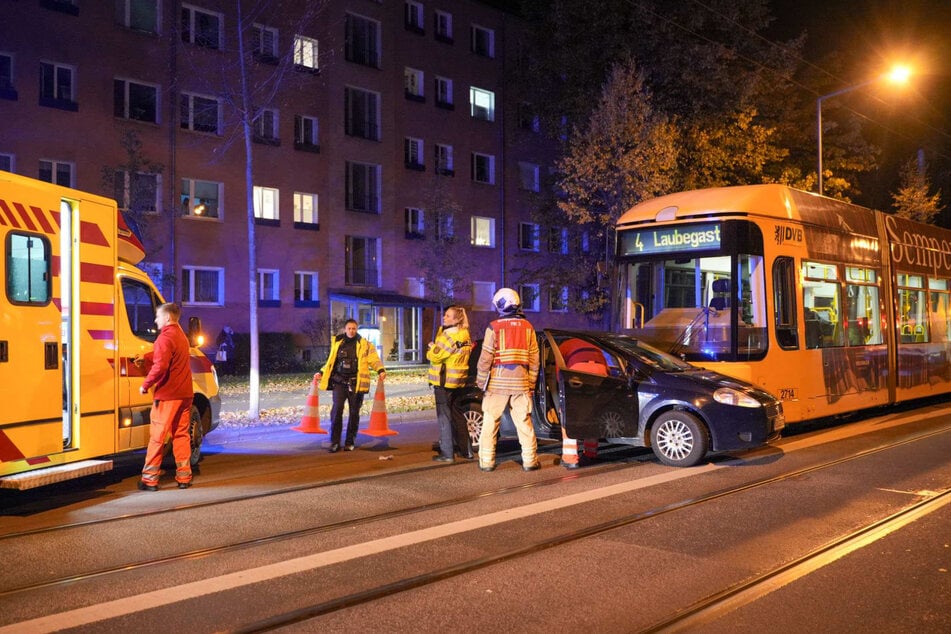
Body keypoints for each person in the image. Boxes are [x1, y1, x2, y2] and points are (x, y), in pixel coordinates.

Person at [476, 288, 540, 472]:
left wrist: (481, 382)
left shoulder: (493, 327)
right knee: (524, 422)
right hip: (520, 383)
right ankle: (529, 461)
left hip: (497, 384)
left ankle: (486, 462)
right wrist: (531, 384)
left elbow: (485, 358)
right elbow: (534, 359)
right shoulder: (528, 327)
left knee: (490, 421)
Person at [138, 302, 194, 491]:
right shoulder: (181, 337)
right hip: (185, 394)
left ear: (168, 317)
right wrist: (147, 357)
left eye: (158, 316)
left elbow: (161, 366)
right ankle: (184, 477)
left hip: (168, 395)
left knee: (157, 437)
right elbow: (168, 356)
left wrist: (146, 384)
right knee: (181, 435)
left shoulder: (164, 338)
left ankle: (149, 479)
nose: (156, 320)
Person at [316, 319, 386, 452]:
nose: (351, 331)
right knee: (337, 411)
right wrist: (321, 372)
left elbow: (374, 360)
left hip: (356, 383)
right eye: (349, 328)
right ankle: (335, 442)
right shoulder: (338, 343)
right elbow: (331, 362)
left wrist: (381, 370)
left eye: (354, 328)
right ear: (345, 329)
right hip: (339, 382)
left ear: (357, 329)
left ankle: (350, 442)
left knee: (354, 413)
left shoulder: (364, 344)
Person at [427, 306, 473, 463]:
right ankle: (467, 450)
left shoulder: (447, 336)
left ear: (456, 319)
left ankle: (447, 453)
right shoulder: (465, 335)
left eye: (447, 316)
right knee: (458, 415)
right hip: (459, 381)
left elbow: (436, 356)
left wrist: (432, 347)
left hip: (444, 381)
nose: (444, 318)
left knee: (444, 417)